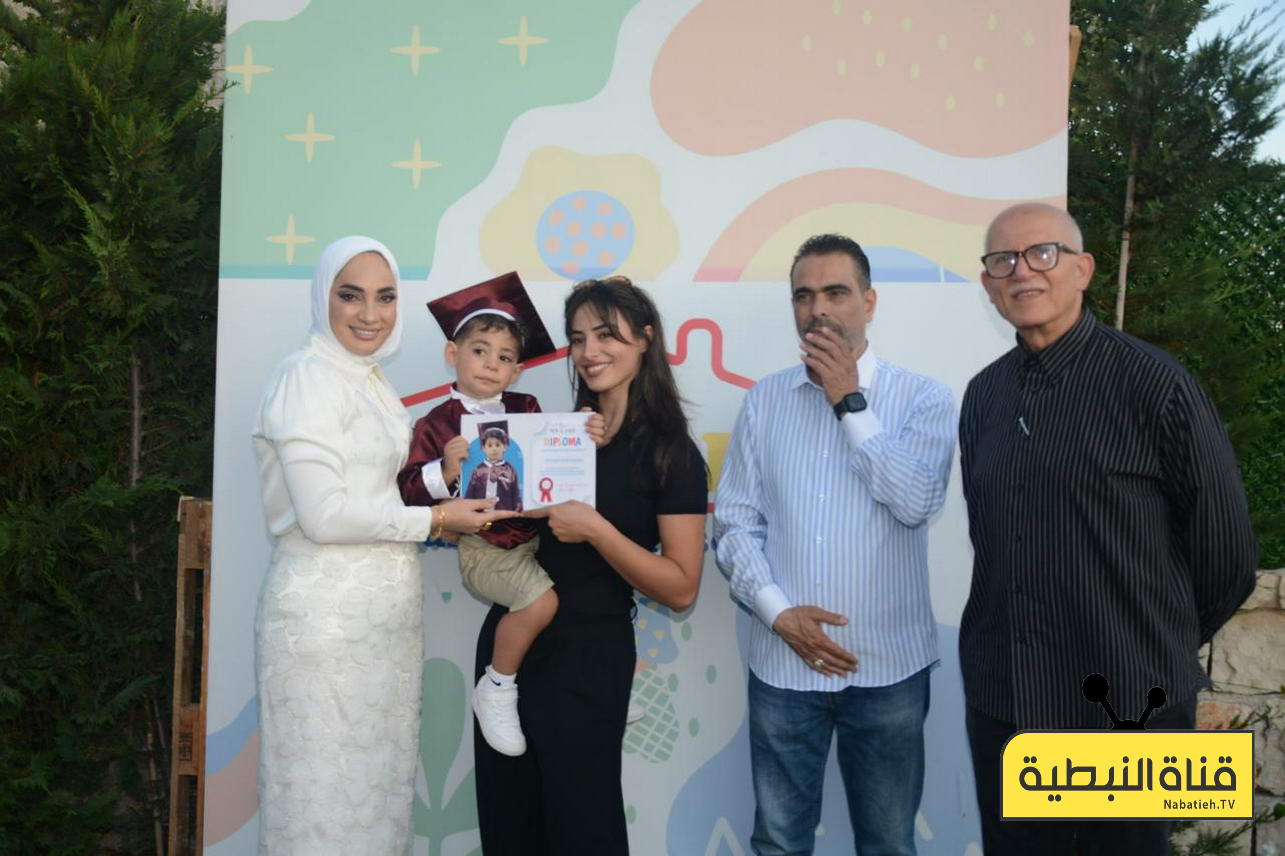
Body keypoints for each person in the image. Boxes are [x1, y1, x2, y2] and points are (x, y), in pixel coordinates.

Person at [959, 203, 1259, 854]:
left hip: (1128, 709)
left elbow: (1228, 557)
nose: (1022, 272)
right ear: (987, 284)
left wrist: (1146, 642)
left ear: (1083, 270)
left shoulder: (1156, 387)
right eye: (1002, 260)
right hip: (1008, 703)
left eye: (1042, 254)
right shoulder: (983, 397)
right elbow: (990, 537)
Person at [251, 236, 513, 855]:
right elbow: (324, 517)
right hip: (324, 623)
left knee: (376, 800)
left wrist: (451, 481)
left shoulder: (370, 382)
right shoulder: (305, 377)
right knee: (322, 804)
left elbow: (391, 486)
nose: (371, 314)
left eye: (386, 297)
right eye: (351, 295)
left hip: (387, 623)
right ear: (324, 297)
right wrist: (437, 520)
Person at [714, 233, 956, 856]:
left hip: (889, 670)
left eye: (835, 292)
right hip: (783, 667)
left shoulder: (923, 398)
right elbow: (735, 525)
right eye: (803, 296)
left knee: (888, 843)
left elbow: (916, 503)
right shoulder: (765, 400)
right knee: (778, 842)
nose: (818, 309)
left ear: (868, 303)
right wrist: (778, 614)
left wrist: (850, 401)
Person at [472, 276, 708, 855]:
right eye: (577, 339)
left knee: (585, 829)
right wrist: (460, 466)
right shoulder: (560, 434)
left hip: (591, 657)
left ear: (645, 339)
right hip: (513, 647)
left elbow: (682, 588)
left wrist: (596, 529)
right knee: (511, 826)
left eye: (606, 335)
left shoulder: (671, 452)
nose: (589, 351)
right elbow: (491, 509)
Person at [398, 273, 602, 758]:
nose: (492, 364)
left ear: (517, 371)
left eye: (505, 357)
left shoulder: (524, 407)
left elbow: (550, 458)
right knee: (541, 605)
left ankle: (602, 681)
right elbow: (407, 494)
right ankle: (497, 686)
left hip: (535, 533)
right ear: (452, 354)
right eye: (479, 351)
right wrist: (444, 471)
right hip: (485, 547)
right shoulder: (437, 423)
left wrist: (582, 433)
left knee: (587, 585)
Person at [465, 426, 521, 510]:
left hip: (504, 515)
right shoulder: (478, 470)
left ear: (505, 447)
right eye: (490, 445)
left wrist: (518, 511)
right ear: (483, 448)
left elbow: (515, 494)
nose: (494, 449)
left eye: (498, 445)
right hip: (480, 515)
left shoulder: (510, 470)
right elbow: (470, 494)